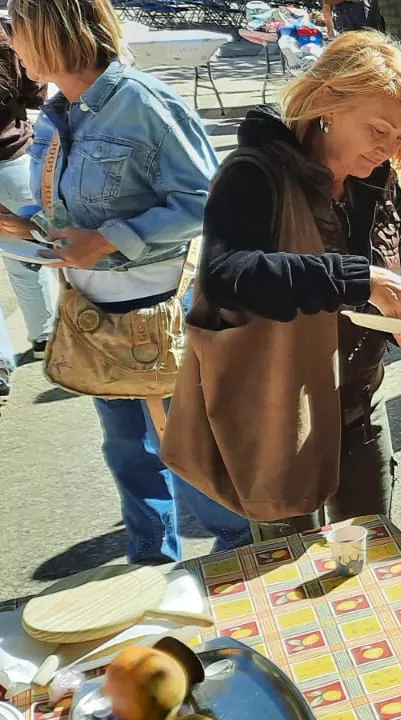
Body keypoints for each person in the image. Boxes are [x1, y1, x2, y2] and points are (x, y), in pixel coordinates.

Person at [1, 0, 250, 562]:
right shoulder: (57, 112)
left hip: (158, 309)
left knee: (190, 450)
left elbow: (208, 202)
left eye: (15, 27)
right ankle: (151, 560)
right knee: (126, 450)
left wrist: (108, 239)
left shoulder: (144, 102)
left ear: (52, 29)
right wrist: (27, 226)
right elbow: (67, 213)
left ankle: (241, 557)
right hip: (92, 312)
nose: (9, 40)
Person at [185, 31, 401, 537]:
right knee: (288, 569)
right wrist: (357, 278)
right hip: (280, 414)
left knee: (370, 553)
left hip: (360, 405)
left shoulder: (379, 179)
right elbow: (227, 275)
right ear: (327, 104)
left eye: (400, 137)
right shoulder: (255, 173)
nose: (388, 148)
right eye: (378, 129)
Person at [0, 24, 50, 398]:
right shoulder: (6, 36)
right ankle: (44, 337)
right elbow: (36, 92)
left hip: (14, 159)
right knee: (30, 255)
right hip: (13, 157)